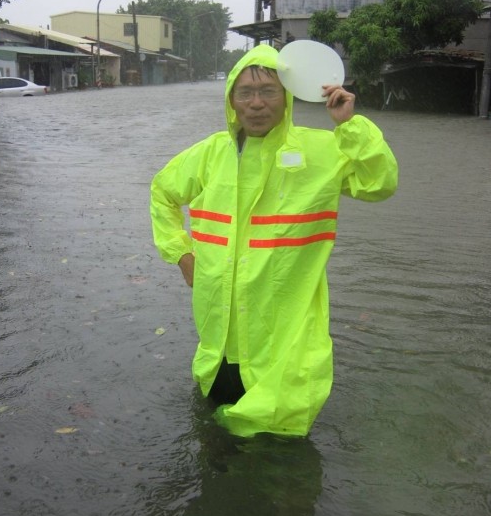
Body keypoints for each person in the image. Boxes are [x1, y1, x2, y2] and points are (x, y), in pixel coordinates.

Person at [150, 44, 398, 438]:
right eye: (245, 93)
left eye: (268, 91)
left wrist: (349, 125)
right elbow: (162, 193)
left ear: (287, 98)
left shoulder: (321, 149)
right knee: (216, 430)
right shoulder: (210, 154)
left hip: (285, 325)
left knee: (280, 438)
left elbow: (379, 185)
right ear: (231, 100)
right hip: (220, 323)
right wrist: (181, 253)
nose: (256, 103)